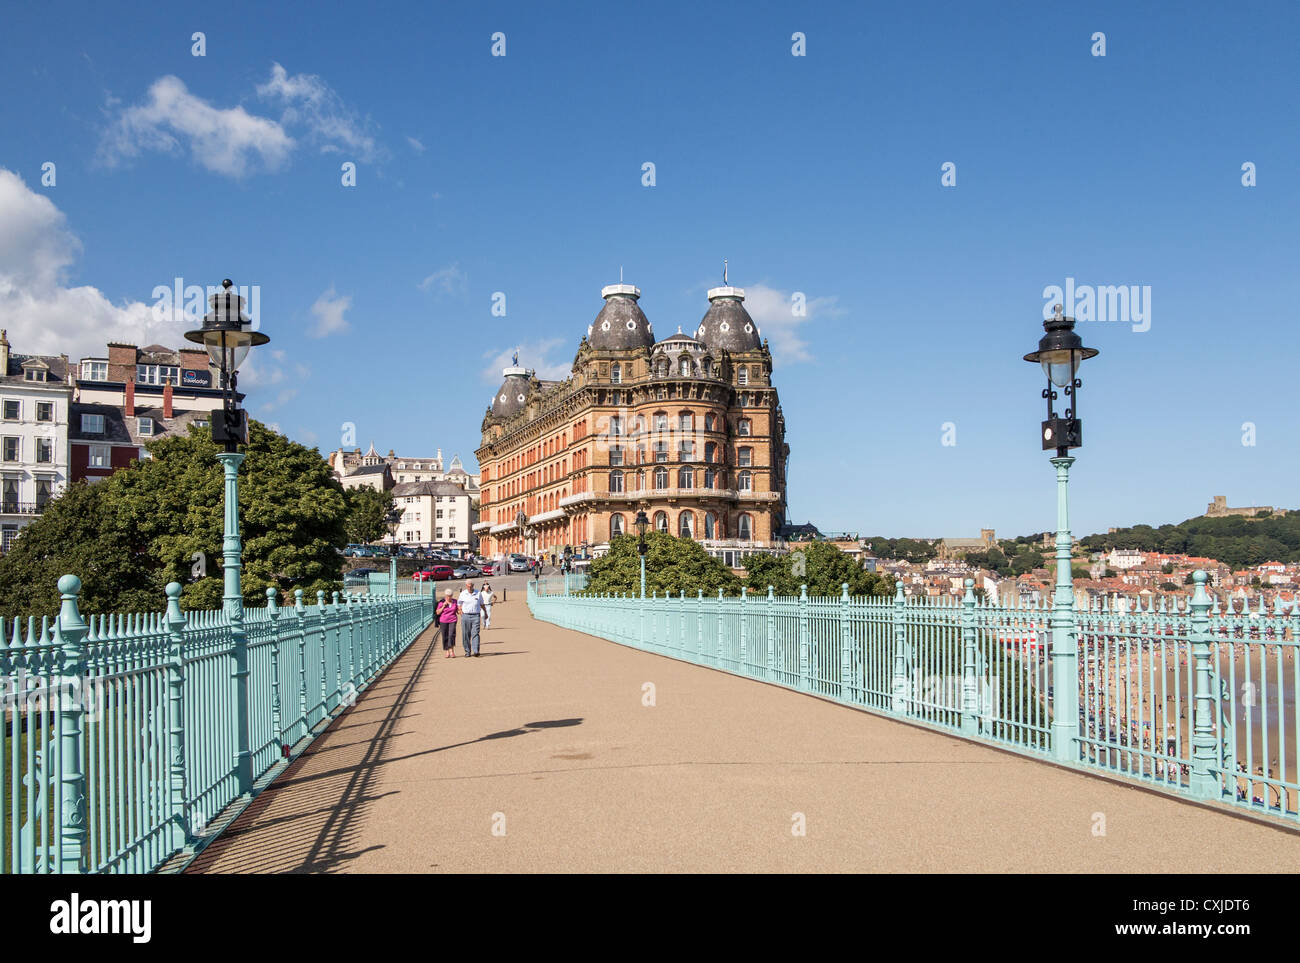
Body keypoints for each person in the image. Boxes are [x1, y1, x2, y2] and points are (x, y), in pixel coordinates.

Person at [458, 580, 486, 657]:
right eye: (468, 585)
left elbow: (482, 604)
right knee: (465, 634)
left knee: (475, 633)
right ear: (466, 586)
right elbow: (459, 603)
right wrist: (460, 610)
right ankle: (467, 651)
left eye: (471, 585)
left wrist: (485, 613)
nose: (470, 587)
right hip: (465, 616)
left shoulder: (478, 593)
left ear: (473, 585)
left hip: (475, 615)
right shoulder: (463, 594)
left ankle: (476, 651)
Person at [436, 589, 458, 658]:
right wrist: (443, 606)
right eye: (447, 596)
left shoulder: (455, 601)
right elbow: (437, 612)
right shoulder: (441, 602)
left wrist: (461, 611)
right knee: (445, 636)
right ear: (445, 596)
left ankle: (451, 650)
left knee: (451, 635)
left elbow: (458, 610)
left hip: (453, 620)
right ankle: (447, 651)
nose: (449, 597)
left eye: (450, 596)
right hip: (443, 621)